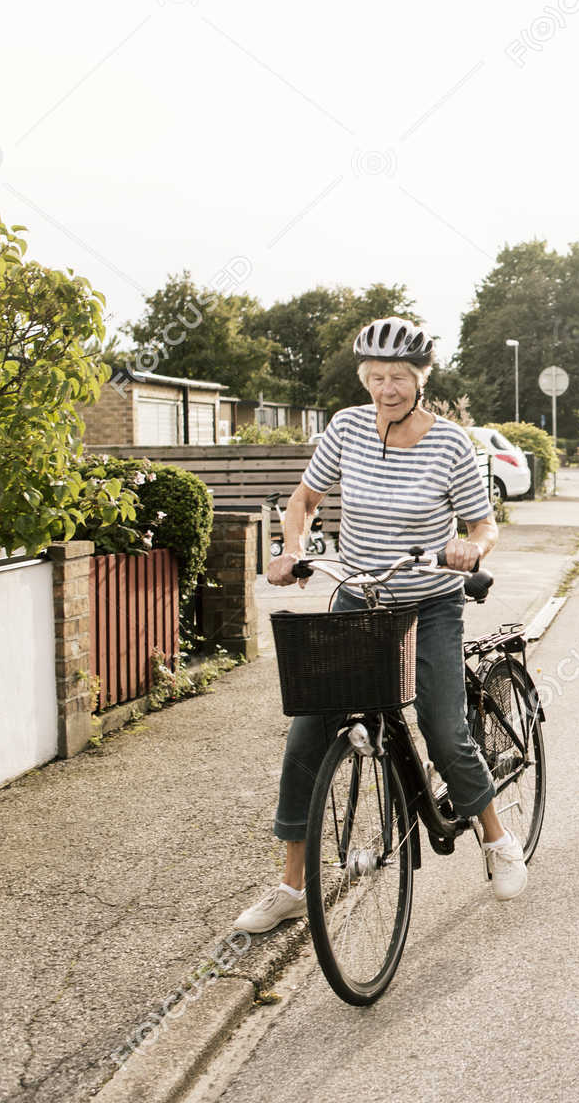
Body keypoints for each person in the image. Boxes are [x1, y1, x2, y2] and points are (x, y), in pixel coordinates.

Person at [234, 317, 526, 934]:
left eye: (397, 377)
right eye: (375, 377)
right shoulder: (345, 428)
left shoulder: (450, 445)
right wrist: (292, 550)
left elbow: (484, 525)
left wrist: (472, 549)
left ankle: (497, 837)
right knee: (308, 734)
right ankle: (291, 885)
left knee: (443, 728)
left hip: (430, 603)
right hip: (359, 598)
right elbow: (304, 501)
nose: (385, 388)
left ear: (421, 379)